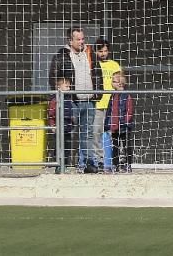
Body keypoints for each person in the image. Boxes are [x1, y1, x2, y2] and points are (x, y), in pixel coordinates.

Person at [48, 27, 103, 173]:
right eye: (78, 39)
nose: (81, 42)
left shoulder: (90, 54)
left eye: (83, 38)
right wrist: (59, 95)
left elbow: (98, 74)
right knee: (65, 133)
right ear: (70, 40)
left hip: (89, 100)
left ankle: (88, 164)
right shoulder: (62, 56)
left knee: (87, 133)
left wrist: (98, 93)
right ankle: (61, 164)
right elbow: (53, 77)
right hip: (71, 100)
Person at [94, 38, 122, 173]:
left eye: (106, 51)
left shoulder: (114, 65)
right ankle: (99, 160)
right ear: (96, 51)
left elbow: (120, 83)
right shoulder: (93, 65)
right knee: (96, 133)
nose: (103, 53)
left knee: (112, 134)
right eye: (101, 51)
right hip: (98, 104)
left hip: (111, 104)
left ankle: (112, 161)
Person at [106, 71, 135, 172]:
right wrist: (107, 124)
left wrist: (126, 123)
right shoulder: (112, 95)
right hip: (114, 126)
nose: (111, 83)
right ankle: (115, 165)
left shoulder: (126, 96)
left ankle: (128, 164)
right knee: (115, 146)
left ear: (120, 83)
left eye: (113, 81)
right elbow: (109, 111)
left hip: (124, 126)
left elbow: (129, 110)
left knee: (127, 146)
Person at [47, 77, 77, 171]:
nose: (69, 88)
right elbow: (51, 114)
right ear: (59, 88)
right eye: (66, 86)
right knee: (59, 146)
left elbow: (70, 113)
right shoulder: (54, 99)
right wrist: (52, 125)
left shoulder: (68, 99)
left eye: (69, 87)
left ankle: (65, 165)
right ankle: (58, 166)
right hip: (58, 127)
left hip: (67, 127)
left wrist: (72, 122)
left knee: (67, 146)